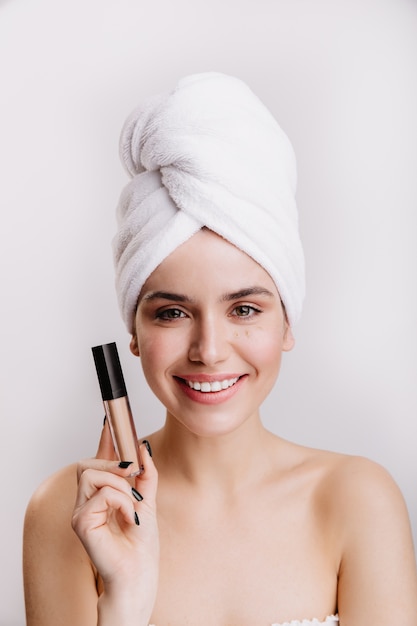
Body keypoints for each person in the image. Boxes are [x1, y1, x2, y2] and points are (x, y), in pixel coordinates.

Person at [23, 72, 417, 626]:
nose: (209, 350)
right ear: (133, 334)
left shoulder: (357, 500)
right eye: (173, 312)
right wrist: (126, 601)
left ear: (286, 324)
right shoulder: (71, 510)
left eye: (245, 309)